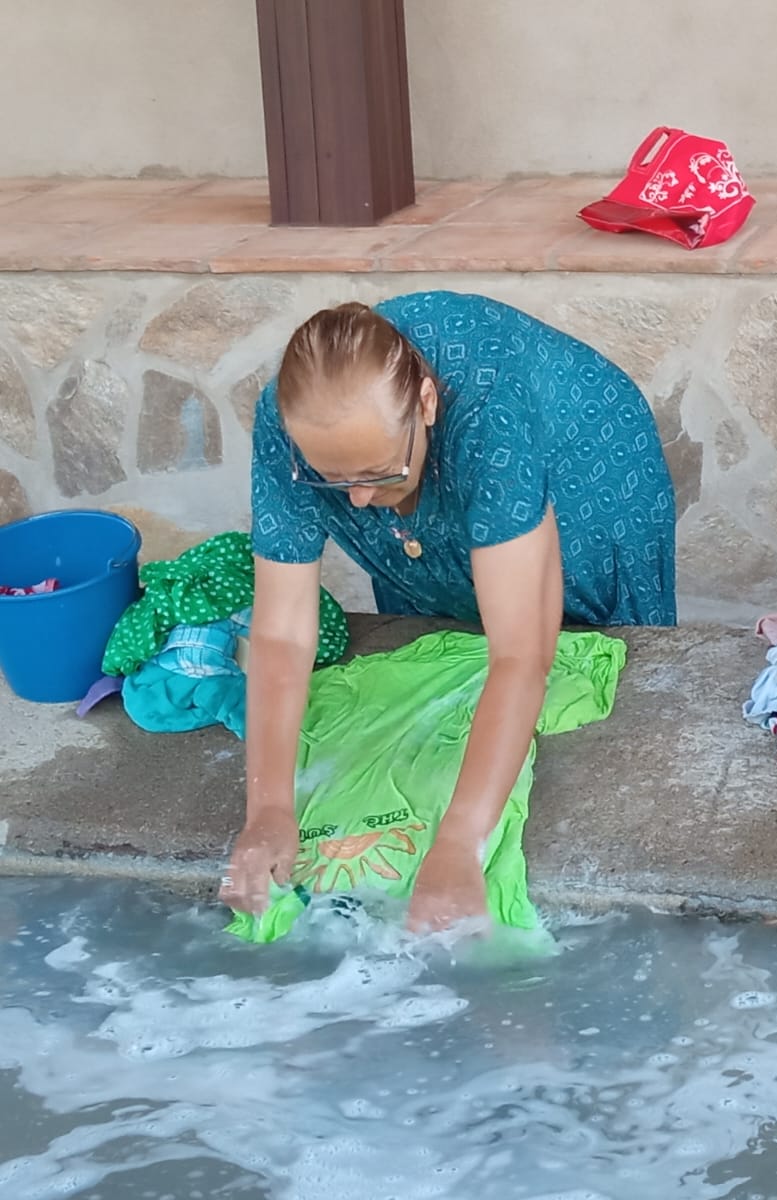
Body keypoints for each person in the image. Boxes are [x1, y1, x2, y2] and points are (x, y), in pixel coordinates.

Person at [220, 290, 676, 930]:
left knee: (574, 642)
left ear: (427, 406)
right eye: (333, 479)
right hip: (449, 449)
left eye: (378, 472)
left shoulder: (489, 417)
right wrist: (267, 812)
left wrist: (461, 842)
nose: (357, 502)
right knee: (443, 622)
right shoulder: (287, 425)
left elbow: (522, 654)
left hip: (586, 464)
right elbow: (283, 634)